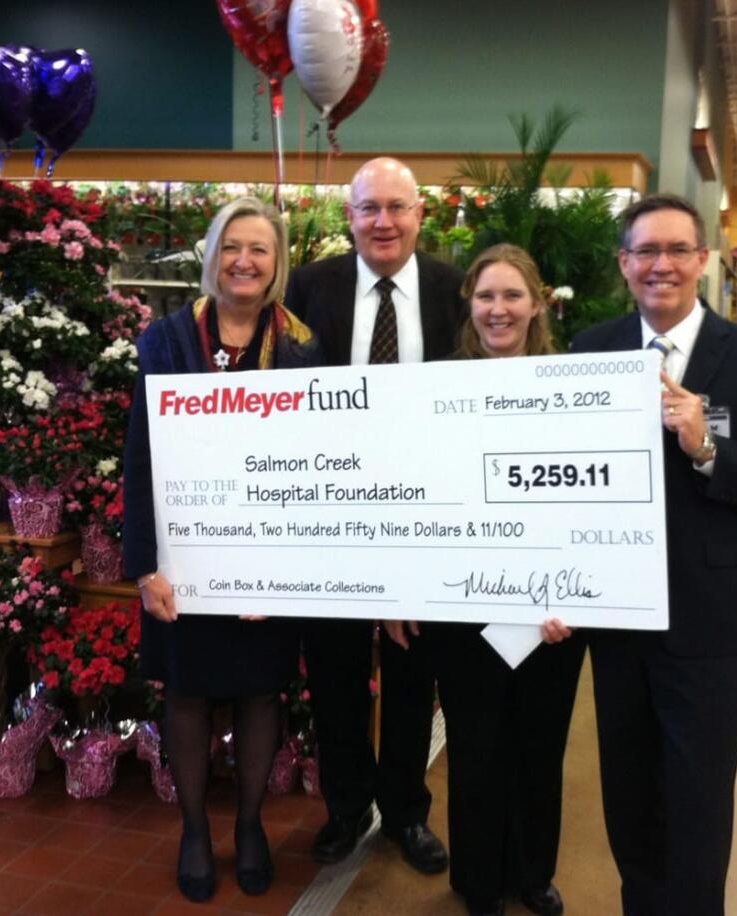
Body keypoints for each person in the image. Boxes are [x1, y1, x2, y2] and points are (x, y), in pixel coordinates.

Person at [569, 194, 737, 915]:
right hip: (618, 621)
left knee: (699, 804)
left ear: (703, 260)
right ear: (624, 264)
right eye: (646, 251)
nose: (662, 265)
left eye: (678, 250)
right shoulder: (590, 350)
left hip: (712, 625)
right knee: (630, 797)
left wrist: (708, 448)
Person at [122, 197, 322, 902]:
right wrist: (145, 565)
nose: (244, 260)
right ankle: (195, 830)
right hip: (186, 562)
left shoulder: (301, 345)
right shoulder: (167, 340)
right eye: (232, 246)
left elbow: (313, 463)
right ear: (212, 255)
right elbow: (141, 459)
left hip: (266, 560)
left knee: (261, 690)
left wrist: (286, 572)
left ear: (277, 263)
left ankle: (251, 823)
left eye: (259, 249)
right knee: (188, 692)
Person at [387, 244, 585, 916]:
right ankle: (477, 881)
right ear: (469, 306)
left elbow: (592, 500)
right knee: (476, 746)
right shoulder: (435, 385)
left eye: (512, 296)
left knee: (539, 743)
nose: (499, 310)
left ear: (537, 304)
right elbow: (408, 493)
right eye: (486, 297)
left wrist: (578, 595)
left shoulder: (573, 386)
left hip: (552, 612)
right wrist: (400, 590)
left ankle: (532, 875)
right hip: (462, 607)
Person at [283, 157, 464, 872]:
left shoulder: (455, 291)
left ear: (422, 214)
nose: (383, 221)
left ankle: (405, 813)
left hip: (423, 513)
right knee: (333, 669)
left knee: (414, 669)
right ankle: (346, 806)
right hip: (334, 510)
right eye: (368, 209)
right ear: (348, 217)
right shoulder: (309, 286)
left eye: (397, 207)